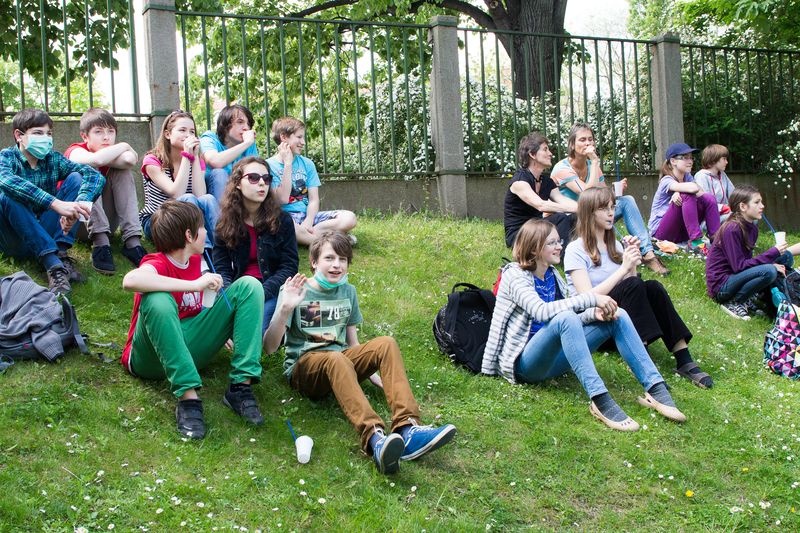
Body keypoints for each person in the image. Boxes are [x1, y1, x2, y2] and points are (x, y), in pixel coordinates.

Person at [263, 231, 456, 474]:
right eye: (329, 258)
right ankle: (375, 439)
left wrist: (374, 375)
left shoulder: (348, 292)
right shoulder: (294, 290)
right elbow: (269, 347)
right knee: (335, 358)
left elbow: (353, 344)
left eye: (342, 259)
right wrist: (284, 309)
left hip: (340, 362)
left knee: (385, 343)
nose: (337, 265)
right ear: (313, 262)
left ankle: (408, 429)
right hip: (305, 368)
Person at [482, 218, 686, 431]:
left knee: (617, 314)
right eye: (552, 243)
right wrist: (592, 300)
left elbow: (570, 317)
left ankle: (655, 388)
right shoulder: (515, 275)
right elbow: (541, 312)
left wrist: (593, 314)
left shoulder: (552, 275)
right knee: (566, 318)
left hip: (555, 360)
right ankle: (600, 399)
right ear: (534, 248)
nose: (559, 246)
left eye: (559, 241)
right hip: (526, 365)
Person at [121, 201, 265, 439]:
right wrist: (194, 285)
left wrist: (220, 329)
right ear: (189, 235)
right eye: (202, 227)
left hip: (186, 348)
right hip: (148, 359)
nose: (207, 231)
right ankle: (188, 399)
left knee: (250, 285)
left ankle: (241, 387)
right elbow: (130, 281)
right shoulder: (156, 263)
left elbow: (195, 311)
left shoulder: (196, 262)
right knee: (156, 300)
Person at [564, 187, 713, 389]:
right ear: (589, 212)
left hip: (619, 318)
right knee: (634, 285)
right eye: (604, 208)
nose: (611, 213)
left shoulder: (615, 245)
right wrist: (623, 269)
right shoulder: (575, 249)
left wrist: (632, 261)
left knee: (652, 287)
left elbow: (633, 289)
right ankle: (643, 364)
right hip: (595, 323)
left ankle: (684, 359)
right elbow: (586, 298)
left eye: (612, 207)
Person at [0, 108, 105, 295]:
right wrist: (55, 203)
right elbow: (6, 180)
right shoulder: (6, 157)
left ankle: (61, 253)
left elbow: (93, 175)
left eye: (49, 133)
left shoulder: (53, 160)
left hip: (46, 230)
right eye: (38, 133)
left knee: (76, 178)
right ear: (19, 135)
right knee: (8, 195)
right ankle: (53, 265)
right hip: (14, 238)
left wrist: (79, 206)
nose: (46, 138)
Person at [550, 122, 668, 275]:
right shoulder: (562, 168)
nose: (588, 143)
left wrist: (614, 191)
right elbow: (588, 194)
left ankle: (648, 254)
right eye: (582, 140)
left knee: (627, 201)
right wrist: (594, 162)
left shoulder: (593, 166)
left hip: (595, 213)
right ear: (572, 144)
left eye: (590, 139)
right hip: (574, 219)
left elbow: (603, 196)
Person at [213, 156, 299, 332]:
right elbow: (222, 269)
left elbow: (289, 267)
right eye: (253, 178)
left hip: (271, 291)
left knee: (255, 332)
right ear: (238, 183)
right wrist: (231, 297)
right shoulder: (225, 223)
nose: (261, 183)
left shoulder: (283, 221)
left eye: (266, 179)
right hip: (239, 291)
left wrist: (260, 293)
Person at [65, 108, 148, 274]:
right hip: (78, 224)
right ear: (84, 136)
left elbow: (129, 160)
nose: (106, 137)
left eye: (111, 131)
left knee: (123, 172)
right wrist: (125, 146)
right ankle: (100, 243)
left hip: (108, 220)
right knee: (90, 171)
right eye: (98, 132)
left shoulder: (113, 152)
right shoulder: (74, 151)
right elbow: (96, 160)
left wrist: (117, 153)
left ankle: (133, 242)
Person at [706, 185, 800, 320]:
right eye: (757, 202)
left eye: (761, 202)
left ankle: (751, 297)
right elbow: (739, 266)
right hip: (722, 286)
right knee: (769, 271)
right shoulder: (732, 229)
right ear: (743, 206)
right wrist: (772, 254)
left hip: (736, 277)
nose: (762, 206)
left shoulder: (752, 228)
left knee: (786, 257)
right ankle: (734, 302)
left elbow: (747, 262)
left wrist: (774, 259)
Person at [266, 117, 357, 246]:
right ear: (284, 137)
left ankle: (310, 235)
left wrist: (308, 221)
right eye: (299, 137)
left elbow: (314, 199)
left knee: (349, 218)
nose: (303, 142)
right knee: (283, 224)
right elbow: (282, 199)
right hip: (285, 217)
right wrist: (288, 164)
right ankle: (331, 243)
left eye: (303, 137)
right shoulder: (268, 166)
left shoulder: (307, 164)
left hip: (308, 217)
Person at [140, 110, 219, 254]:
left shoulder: (197, 161)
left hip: (188, 221)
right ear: (167, 134)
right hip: (159, 220)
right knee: (187, 198)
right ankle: (204, 253)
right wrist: (186, 156)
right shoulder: (152, 160)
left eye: (192, 131)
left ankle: (222, 248)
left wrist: (195, 157)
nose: (188, 135)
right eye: (182, 130)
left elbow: (200, 194)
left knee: (208, 199)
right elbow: (176, 194)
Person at [504, 131, 576, 251]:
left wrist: (586, 208)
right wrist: (573, 208)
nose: (550, 154)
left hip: (538, 228)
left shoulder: (546, 182)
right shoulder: (520, 181)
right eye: (545, 149)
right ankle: (562, 257)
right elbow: (541, 205)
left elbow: (562, 200)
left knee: (574, 217)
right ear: (532, 154)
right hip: (519, 235)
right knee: (561, 217)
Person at [647, 142, 721, 256]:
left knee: (709, 198)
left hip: (681, 232)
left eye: (691, 158)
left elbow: (702, 194)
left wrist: (680, 191)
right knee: (687, 195)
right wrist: (681, 191)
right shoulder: (666, 180)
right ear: (673, 161)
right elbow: (693, 188)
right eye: (685, 158)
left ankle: (717, 241)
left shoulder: (687, 177)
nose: (690, 161)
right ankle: (696, 241)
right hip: (661, 234)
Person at [200, 104, 260, 202]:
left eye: (248, 124)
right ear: (225, 125)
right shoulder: (209, 138)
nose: (246, 127)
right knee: (219, 173)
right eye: (240, 122)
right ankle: (223, 212)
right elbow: (215, 161)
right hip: (211, 198)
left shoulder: (249, 145)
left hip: (238, 195)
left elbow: (256, 171)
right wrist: (247, 143)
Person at [693, 144, 735, 223]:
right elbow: (704, 202)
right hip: (707, 219)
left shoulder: (722, 174)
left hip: (725, 213)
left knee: (749, 217)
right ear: (713, 160)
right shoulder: (701, 176)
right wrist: (723, 208)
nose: (727, 162)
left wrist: (743, 201)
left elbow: (733, 194)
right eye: (724, 159)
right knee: (737, 219)